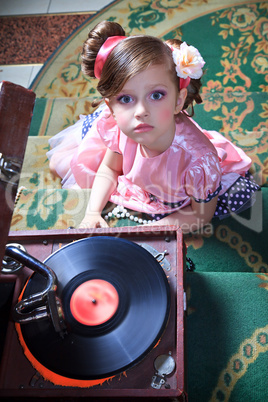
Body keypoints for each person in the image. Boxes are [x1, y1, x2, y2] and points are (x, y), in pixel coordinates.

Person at [47, 20, 260, 233]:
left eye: (156, 95)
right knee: (59, 163)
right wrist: (92, 212)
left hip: (177, 182)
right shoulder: (120, 127)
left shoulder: (199, 162)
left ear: (178, 100)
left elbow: (200, 214)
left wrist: (149, 232)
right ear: (111, 108)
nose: (140, 111)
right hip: (145, 174)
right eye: (125, 99)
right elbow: (111, 167)